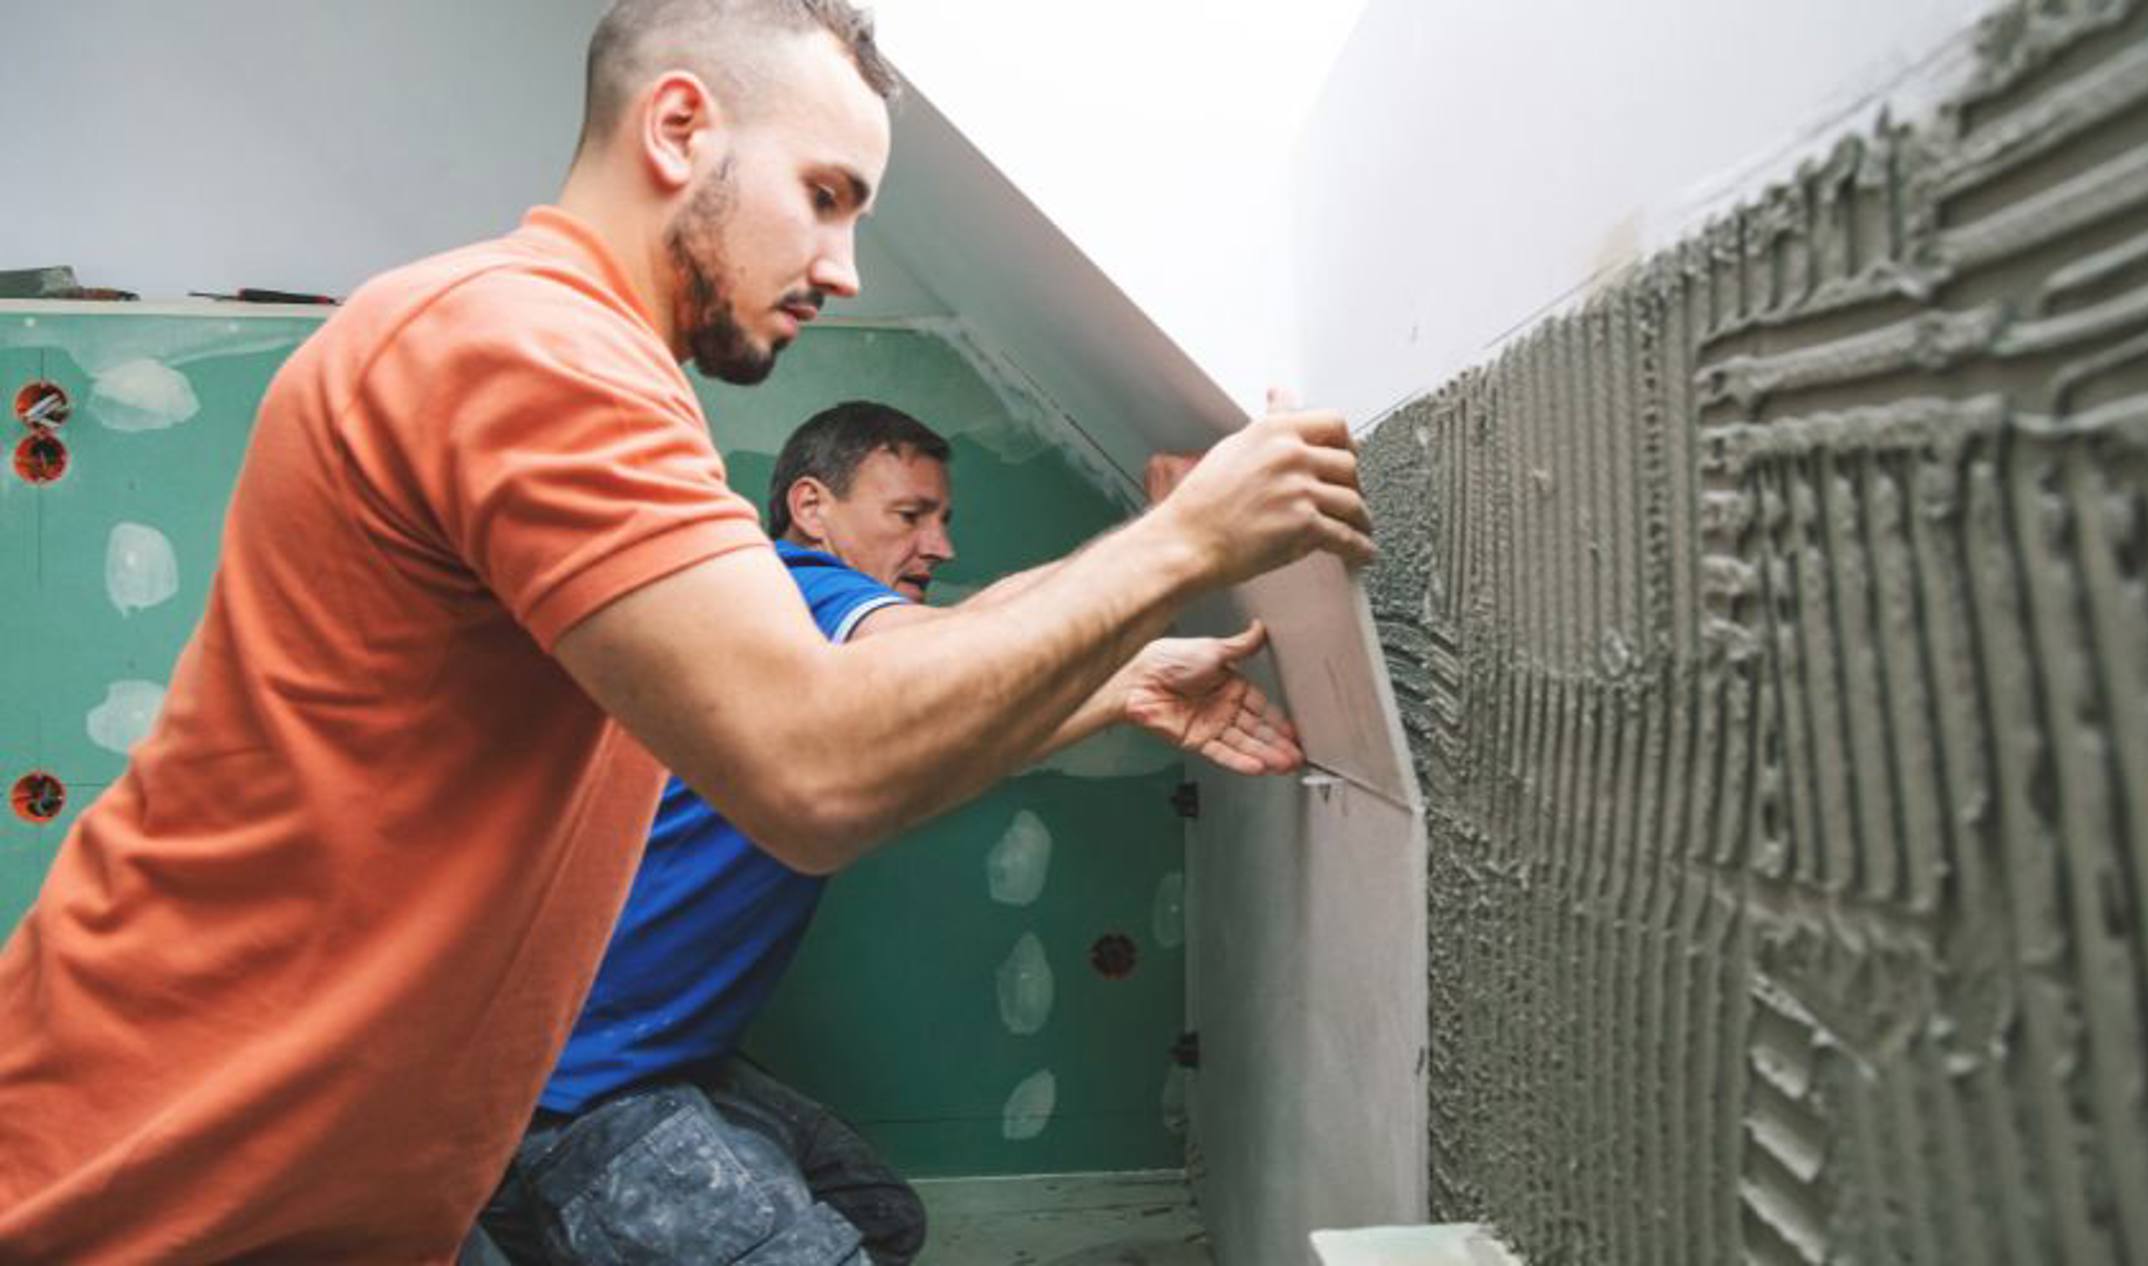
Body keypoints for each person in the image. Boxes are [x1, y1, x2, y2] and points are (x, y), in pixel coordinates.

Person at [0, 0, 1372, 1259]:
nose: (842, 265)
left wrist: (1122, 667)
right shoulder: (529, 349)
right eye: (824, 197)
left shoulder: (568, 365)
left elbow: (863, 686)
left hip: (337, 1178)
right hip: (147, 1177)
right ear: (677, 127)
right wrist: (1186, 543)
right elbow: (819, 769)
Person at [478, 401, 1299, 1264]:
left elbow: (963, 667)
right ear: (810, 508)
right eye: (910, 516)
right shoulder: (794, 588)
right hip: (580, 1088)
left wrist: (1125, 686)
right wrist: (1171, 540)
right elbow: (971, 646)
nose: (938, 544)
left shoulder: (795, 638)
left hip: (656, 1056)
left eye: (942, 519)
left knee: (875, 1214)